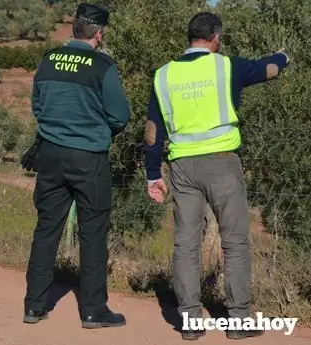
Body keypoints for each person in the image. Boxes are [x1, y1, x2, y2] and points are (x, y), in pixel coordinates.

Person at [143, 11, 290, 341]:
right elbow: (269, 69)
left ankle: (190, 322)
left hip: (182, 167)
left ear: (189, 37)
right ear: (215, 38)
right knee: (235, 241)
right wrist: (284, 56)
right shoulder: (226, 66)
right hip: (222, 163)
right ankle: (238, 320)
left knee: (185, 243)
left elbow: (152, 130)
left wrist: (153, 173)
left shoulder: (163, 75)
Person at [21, 3, 131, 329]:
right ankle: (94, 311)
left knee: (46, 230)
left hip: (51, 155)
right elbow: (120, 116)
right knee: (93, 234)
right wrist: (97, 131)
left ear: (73, 29)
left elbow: (38, 106)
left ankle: (34, 306)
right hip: (89, 159)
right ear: (99, 33)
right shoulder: (103, 67)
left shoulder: (48, 60)